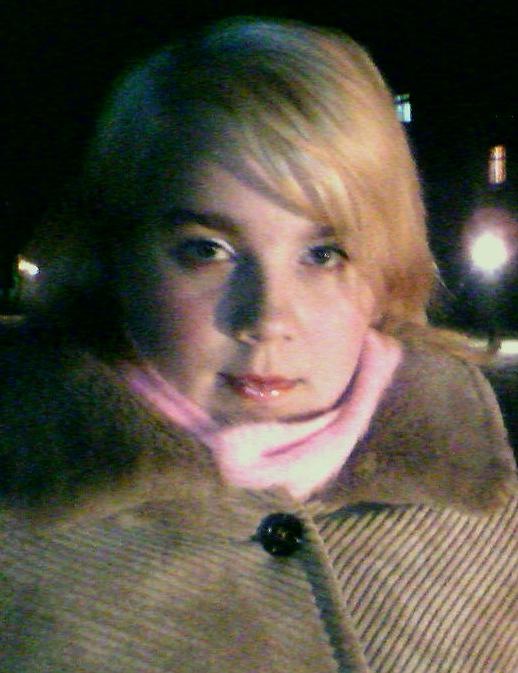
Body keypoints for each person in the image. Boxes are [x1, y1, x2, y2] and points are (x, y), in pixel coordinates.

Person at [1, 17, 516, 673]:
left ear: (387, 268)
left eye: (324, 254)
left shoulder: (484, 510)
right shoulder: (24, 531)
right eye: (207, 250)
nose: (269, 317)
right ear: (117, 256)